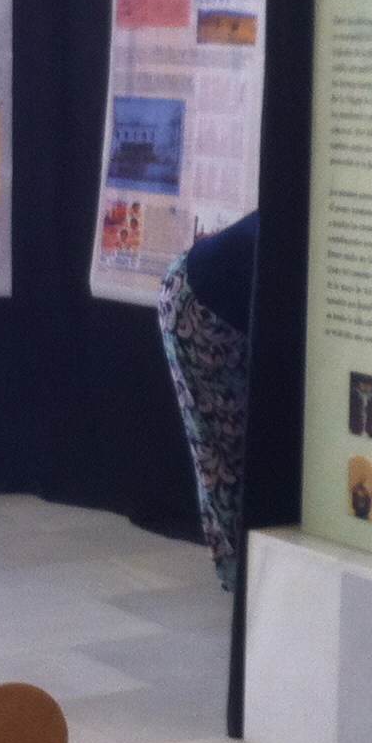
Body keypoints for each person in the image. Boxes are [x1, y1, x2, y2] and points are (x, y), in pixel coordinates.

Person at [157, 213, 257, 588]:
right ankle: (240, 577)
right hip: (197, 307)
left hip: (215, 296)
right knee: (223, 453)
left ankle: (249, 573)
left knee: (230, 450)